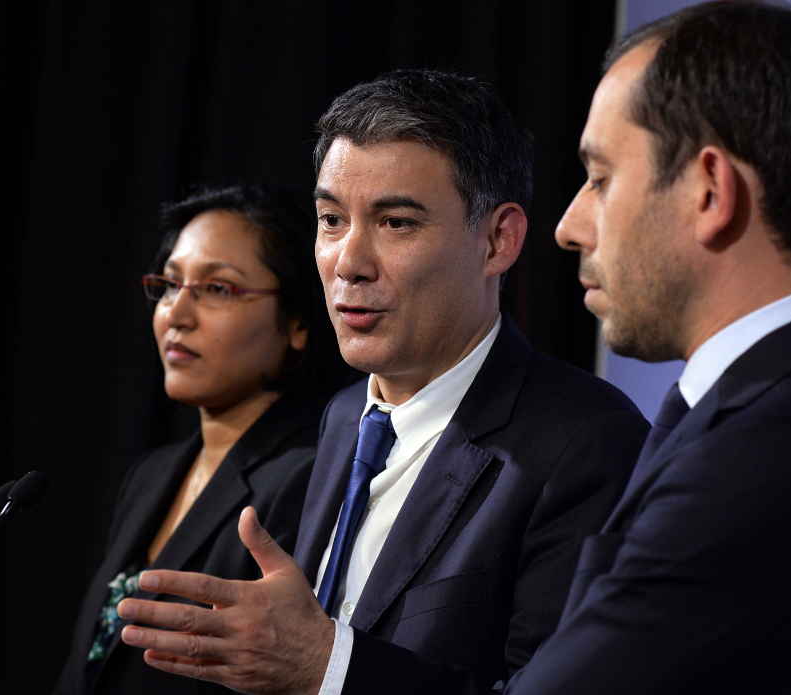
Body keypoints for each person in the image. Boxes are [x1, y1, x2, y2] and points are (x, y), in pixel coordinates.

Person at [112, 4, 791, 694]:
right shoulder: (777, 412)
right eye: (331, 219)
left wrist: (318, 663)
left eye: (599, 177)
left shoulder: (777, 451)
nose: (570, 224)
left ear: (707, 191)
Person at [112, 69, 650, 692]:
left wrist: (328, 668)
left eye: (396, 223)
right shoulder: (345, 417)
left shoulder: (585, 443)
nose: (349, 262)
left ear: (498, 241)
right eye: (331, 219)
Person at [53, 184, 356, 695]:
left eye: (218, 289)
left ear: (299, 323)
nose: (177, 314)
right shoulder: (149, 475)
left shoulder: (309, 479)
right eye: (170, 285)